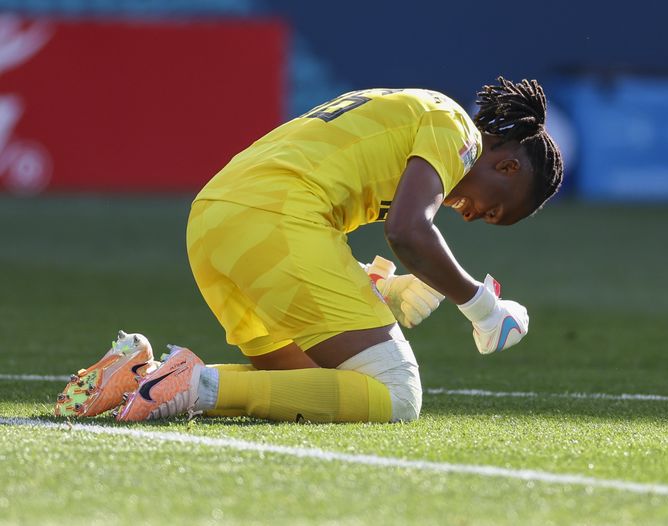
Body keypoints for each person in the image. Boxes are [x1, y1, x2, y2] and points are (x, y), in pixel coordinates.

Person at [55, 77, 563, 423]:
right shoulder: (459, 132)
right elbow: (409, 233)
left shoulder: (418, 114)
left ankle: (136, 378)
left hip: (214, 218)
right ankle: (199, 384)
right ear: (509, 168)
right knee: (396, 395)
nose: (472, 215)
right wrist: (483, 308)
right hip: (272, 216)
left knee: (314, 388)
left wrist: (377, 285)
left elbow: (320, 199)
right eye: (494, 210)